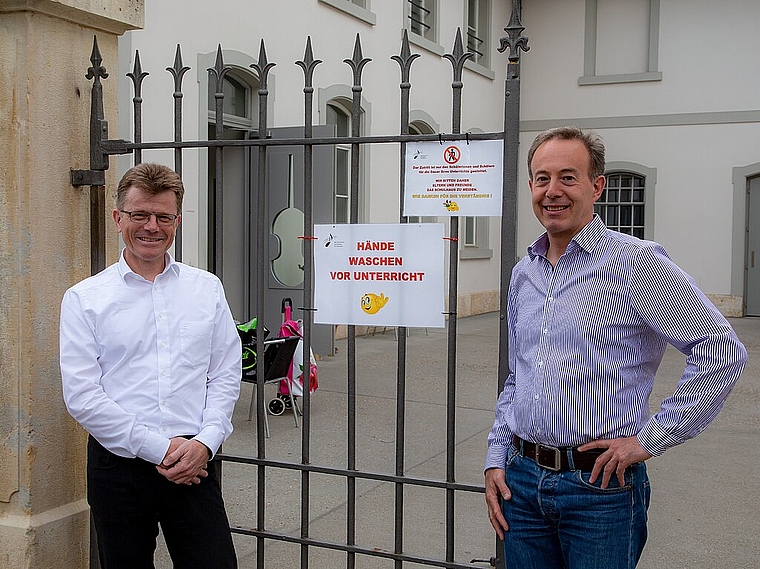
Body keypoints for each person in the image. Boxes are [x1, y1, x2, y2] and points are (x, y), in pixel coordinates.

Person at [484, 127, 747, 569]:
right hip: (523, 483)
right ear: (530, 187)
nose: (553, 192)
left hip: (600, 490)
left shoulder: (636, 263)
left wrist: (651, 439)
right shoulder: (522, 273)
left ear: (597, 185)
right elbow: (518, 375)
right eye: (542, 178)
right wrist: (496, 457)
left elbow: (721, 350)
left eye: (568, 177)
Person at [60, 163, 242, 568]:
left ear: (177, 220)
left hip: (194, 461)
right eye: (139, 215)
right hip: (119, 468)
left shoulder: (206, 288)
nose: (151, 227)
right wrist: (160, 449)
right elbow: (83, 396)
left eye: (163, 216)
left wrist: (205, 443)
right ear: (118, 218)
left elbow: (225, 373)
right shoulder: (85, 299)